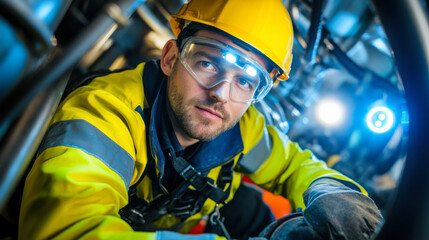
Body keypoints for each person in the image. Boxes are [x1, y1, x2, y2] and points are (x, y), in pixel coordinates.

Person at [18, 0, 382, 239]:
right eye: (207, 63)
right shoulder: (105, 113)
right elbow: (68, 230)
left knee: (251, 210)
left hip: (187, 220)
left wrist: (335, 193)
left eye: (245, 81)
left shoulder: (244, 125)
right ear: (171, 58)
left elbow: (295, 165)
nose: (221, 93)